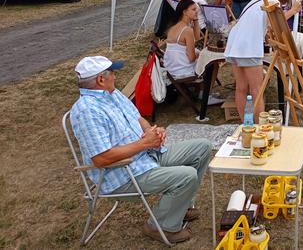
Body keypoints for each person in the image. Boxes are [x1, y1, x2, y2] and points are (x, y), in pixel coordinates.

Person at [70, 55, 212, 244]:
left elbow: (137, 118)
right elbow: (102, 159)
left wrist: (152, 131)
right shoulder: (87, 111)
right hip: (124, 173)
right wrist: (145, 144)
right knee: (187, 176)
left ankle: (179, 206)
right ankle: (160, 226)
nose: (115, 76)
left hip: (146, 156)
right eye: (112, 73)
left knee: (203, 147)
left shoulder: (112, 94)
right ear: (100, 79)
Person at [224, 0, 294, 120]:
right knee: (257, 90)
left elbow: (257, 23)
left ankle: (245, 124)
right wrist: (294, 10)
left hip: (234, 43)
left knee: (241, 88)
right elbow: (276, 23)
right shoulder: (273, 3)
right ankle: (257, 126)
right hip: (249, 46)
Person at [163, 0, 201, 79]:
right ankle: (205, 91)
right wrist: (199, 54)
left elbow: (197, 38)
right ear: (184, 12)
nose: (196, 11)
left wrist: (196, 20)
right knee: (211, 64)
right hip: (184, 71)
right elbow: (191, 58)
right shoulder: (187, 30)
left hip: (171, 69)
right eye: (193, 9)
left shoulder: (172, 27)